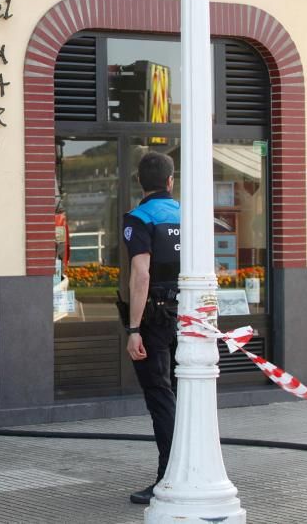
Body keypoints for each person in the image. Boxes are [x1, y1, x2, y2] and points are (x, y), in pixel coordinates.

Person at [122, 151, 180, 505]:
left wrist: (133, 329)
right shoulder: (188, 213)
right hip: (187, 317)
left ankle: (168, 478)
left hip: (155, 319)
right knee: (183, 395)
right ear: (170, 181)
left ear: (140, 182)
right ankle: (184, 469)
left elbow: (141, 274)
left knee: (161, 397)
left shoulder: (140, 217)